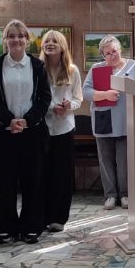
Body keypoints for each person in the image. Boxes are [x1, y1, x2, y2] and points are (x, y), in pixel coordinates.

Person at [0, 19, 52, 244]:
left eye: (21, 36)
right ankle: (7, 227)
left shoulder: (37, 66)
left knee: (33, 181)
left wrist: (28, 120)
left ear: (27, 40)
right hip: (5, 133)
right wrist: (9, 120)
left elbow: (44, 98)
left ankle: (31, 226)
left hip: (32, 132)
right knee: (6, 182)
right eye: (11, 36)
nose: (16, 40)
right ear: (5, 40)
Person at [81, 35, 135, 210]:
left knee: (124, 160)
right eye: (108, 53)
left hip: (126, 120)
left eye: (114, 51)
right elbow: (85, 92)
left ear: (120, 49)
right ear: (103, 55)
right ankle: (110, 195)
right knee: (105, 160)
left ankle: (125, 194)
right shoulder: (97, 68)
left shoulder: (134, 65)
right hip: (103, 119)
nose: (112, 56)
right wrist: (105, 95)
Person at [40, 30, 83, 232]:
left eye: (54, 41)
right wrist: (51, 107)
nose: (50, 44)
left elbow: (78, 98)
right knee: (43, 174)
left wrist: (68, 106)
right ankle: (42, 216)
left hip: (64, 128)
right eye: (47, 41)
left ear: (62, 46)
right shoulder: (38, 69)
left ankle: (58, 218)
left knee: (62, 175)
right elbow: (35, 98)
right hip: (43, 127)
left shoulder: (72, 70)